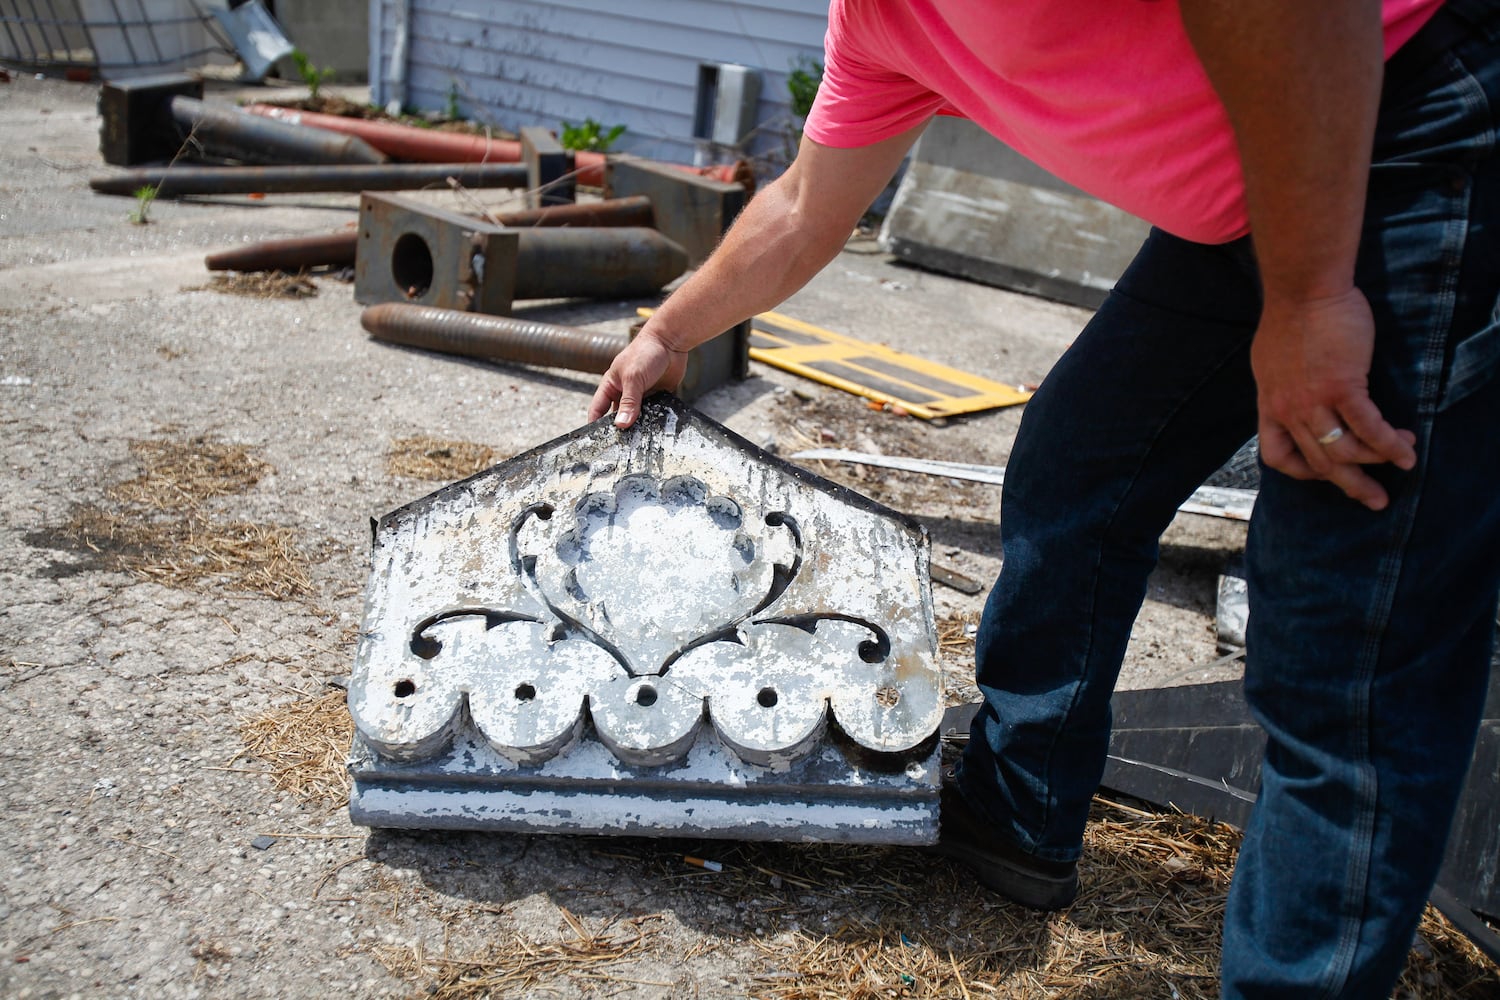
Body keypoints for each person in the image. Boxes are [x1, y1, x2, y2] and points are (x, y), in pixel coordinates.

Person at [588, 1, 1500, 995]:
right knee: (1080, 465)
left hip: (1404, 117)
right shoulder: (884, 22)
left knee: (1343, 640)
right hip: (1249, 187)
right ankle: (1020, 811)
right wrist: (670, 331)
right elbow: (808, 202)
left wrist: (1314, 298)